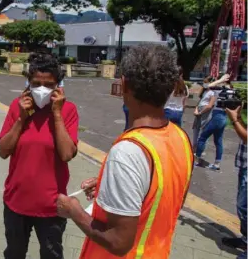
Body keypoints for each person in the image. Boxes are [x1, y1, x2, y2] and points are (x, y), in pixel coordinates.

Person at [56, 44, 193, 259]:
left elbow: (119, 242)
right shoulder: (181, 138)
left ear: (124, 84)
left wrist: (74, 210)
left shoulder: (128, 152)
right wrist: (110, 186)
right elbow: (166, 197)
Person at [0, 53, 79, 259]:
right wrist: (21, 119)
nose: (42, 89)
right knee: (14, 253)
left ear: (58, 86)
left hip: (52, 206)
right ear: (28, 83)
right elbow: (2, 151)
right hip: (16, 202)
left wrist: (57, 114)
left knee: (52, 254)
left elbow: (67, 154)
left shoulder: (68, 110)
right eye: (36, 83)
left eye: (49, 84)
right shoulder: (18, 107)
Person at [222, 105, 247, 259]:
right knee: (243, 207)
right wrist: (238, 117)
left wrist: (234, 120)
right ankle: (245, 240)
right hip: (245, 165)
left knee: (244, 208)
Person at [194, 74, 231, 170]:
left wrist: (219, 80)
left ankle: (197, 160)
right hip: (224, 116)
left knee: (202, 137)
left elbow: (207, 86)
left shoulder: (219, 89)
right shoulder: (231, 90)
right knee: (218, 140)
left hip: (216, 115)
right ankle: (217, 164)